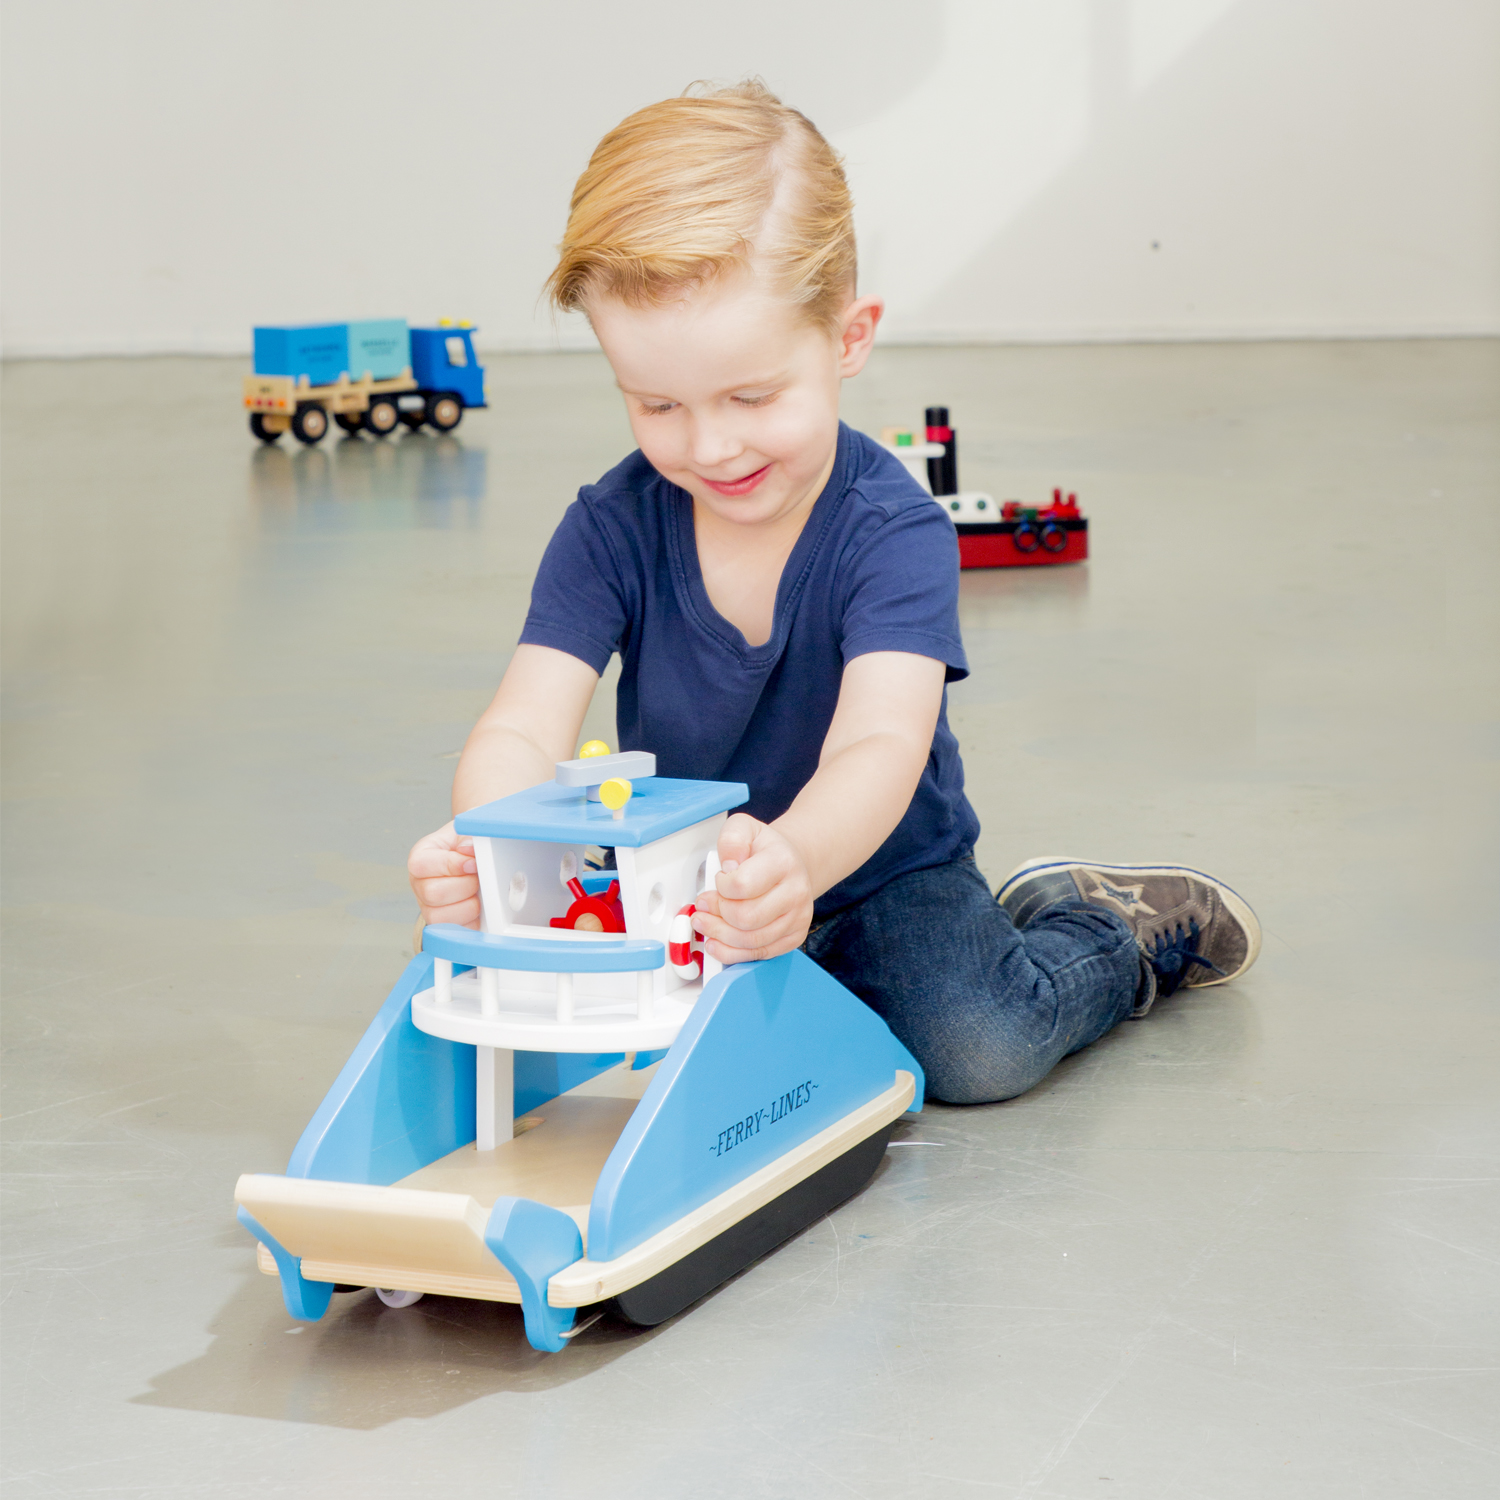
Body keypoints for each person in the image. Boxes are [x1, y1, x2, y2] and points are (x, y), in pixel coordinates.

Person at [407, 81, 1260, 1105]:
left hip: (877, 874)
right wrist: (496, 851)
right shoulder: (611, 525)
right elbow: (520, 722)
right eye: (657, 403)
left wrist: (794, 866)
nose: (709, 444)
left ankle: (1105, 933)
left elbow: (877, 748)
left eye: (752, 397)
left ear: (848, 340)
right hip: (684, 887)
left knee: (978, 1048)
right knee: (571, 1051)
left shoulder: (892, 532)